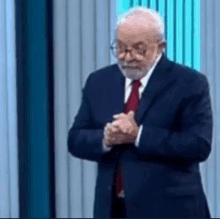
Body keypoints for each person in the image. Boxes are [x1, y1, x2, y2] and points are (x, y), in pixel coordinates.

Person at [67, 6, 213, 218]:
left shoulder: (189, 83)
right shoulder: (99, 82)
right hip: (113, 209)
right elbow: (75, 139)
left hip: (172, 209)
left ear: (160, 47)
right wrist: (106, 138)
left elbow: (199, 145)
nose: (128, 56)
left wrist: (139, 136)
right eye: (120, 48)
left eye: (138, 49)